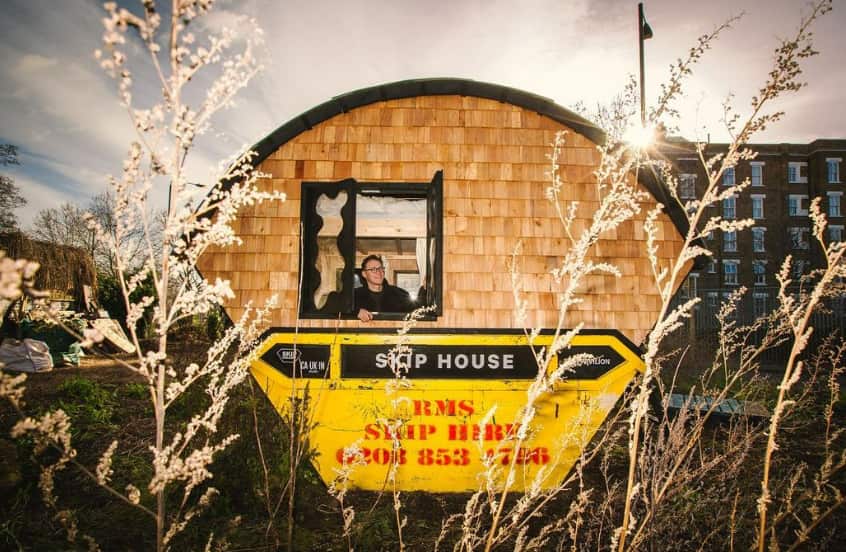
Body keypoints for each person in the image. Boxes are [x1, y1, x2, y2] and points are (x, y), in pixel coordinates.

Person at [355, 255, 416, 322]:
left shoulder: (399, 294)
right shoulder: (354, 296)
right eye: (373, 269)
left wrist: (424, 290)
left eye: (381, 268)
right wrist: (356, 312)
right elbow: (342, 309)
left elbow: (417, 311)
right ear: (364, 274)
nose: (379, 272)